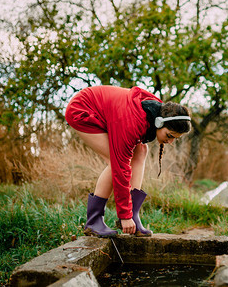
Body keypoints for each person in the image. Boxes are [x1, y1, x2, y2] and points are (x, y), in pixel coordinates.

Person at [65, 85, 191, 237]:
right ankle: (93, 221)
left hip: (108, 112)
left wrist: (130, 214)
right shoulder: (131, 122)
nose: (170, 142)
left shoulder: (157, 110)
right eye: (170, 135)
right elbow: (121, 168)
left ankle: (134, 214)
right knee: (115, 163)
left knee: (142, 150)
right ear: (158, 122)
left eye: (175, 139)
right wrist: (124, 215)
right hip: (83, 109)